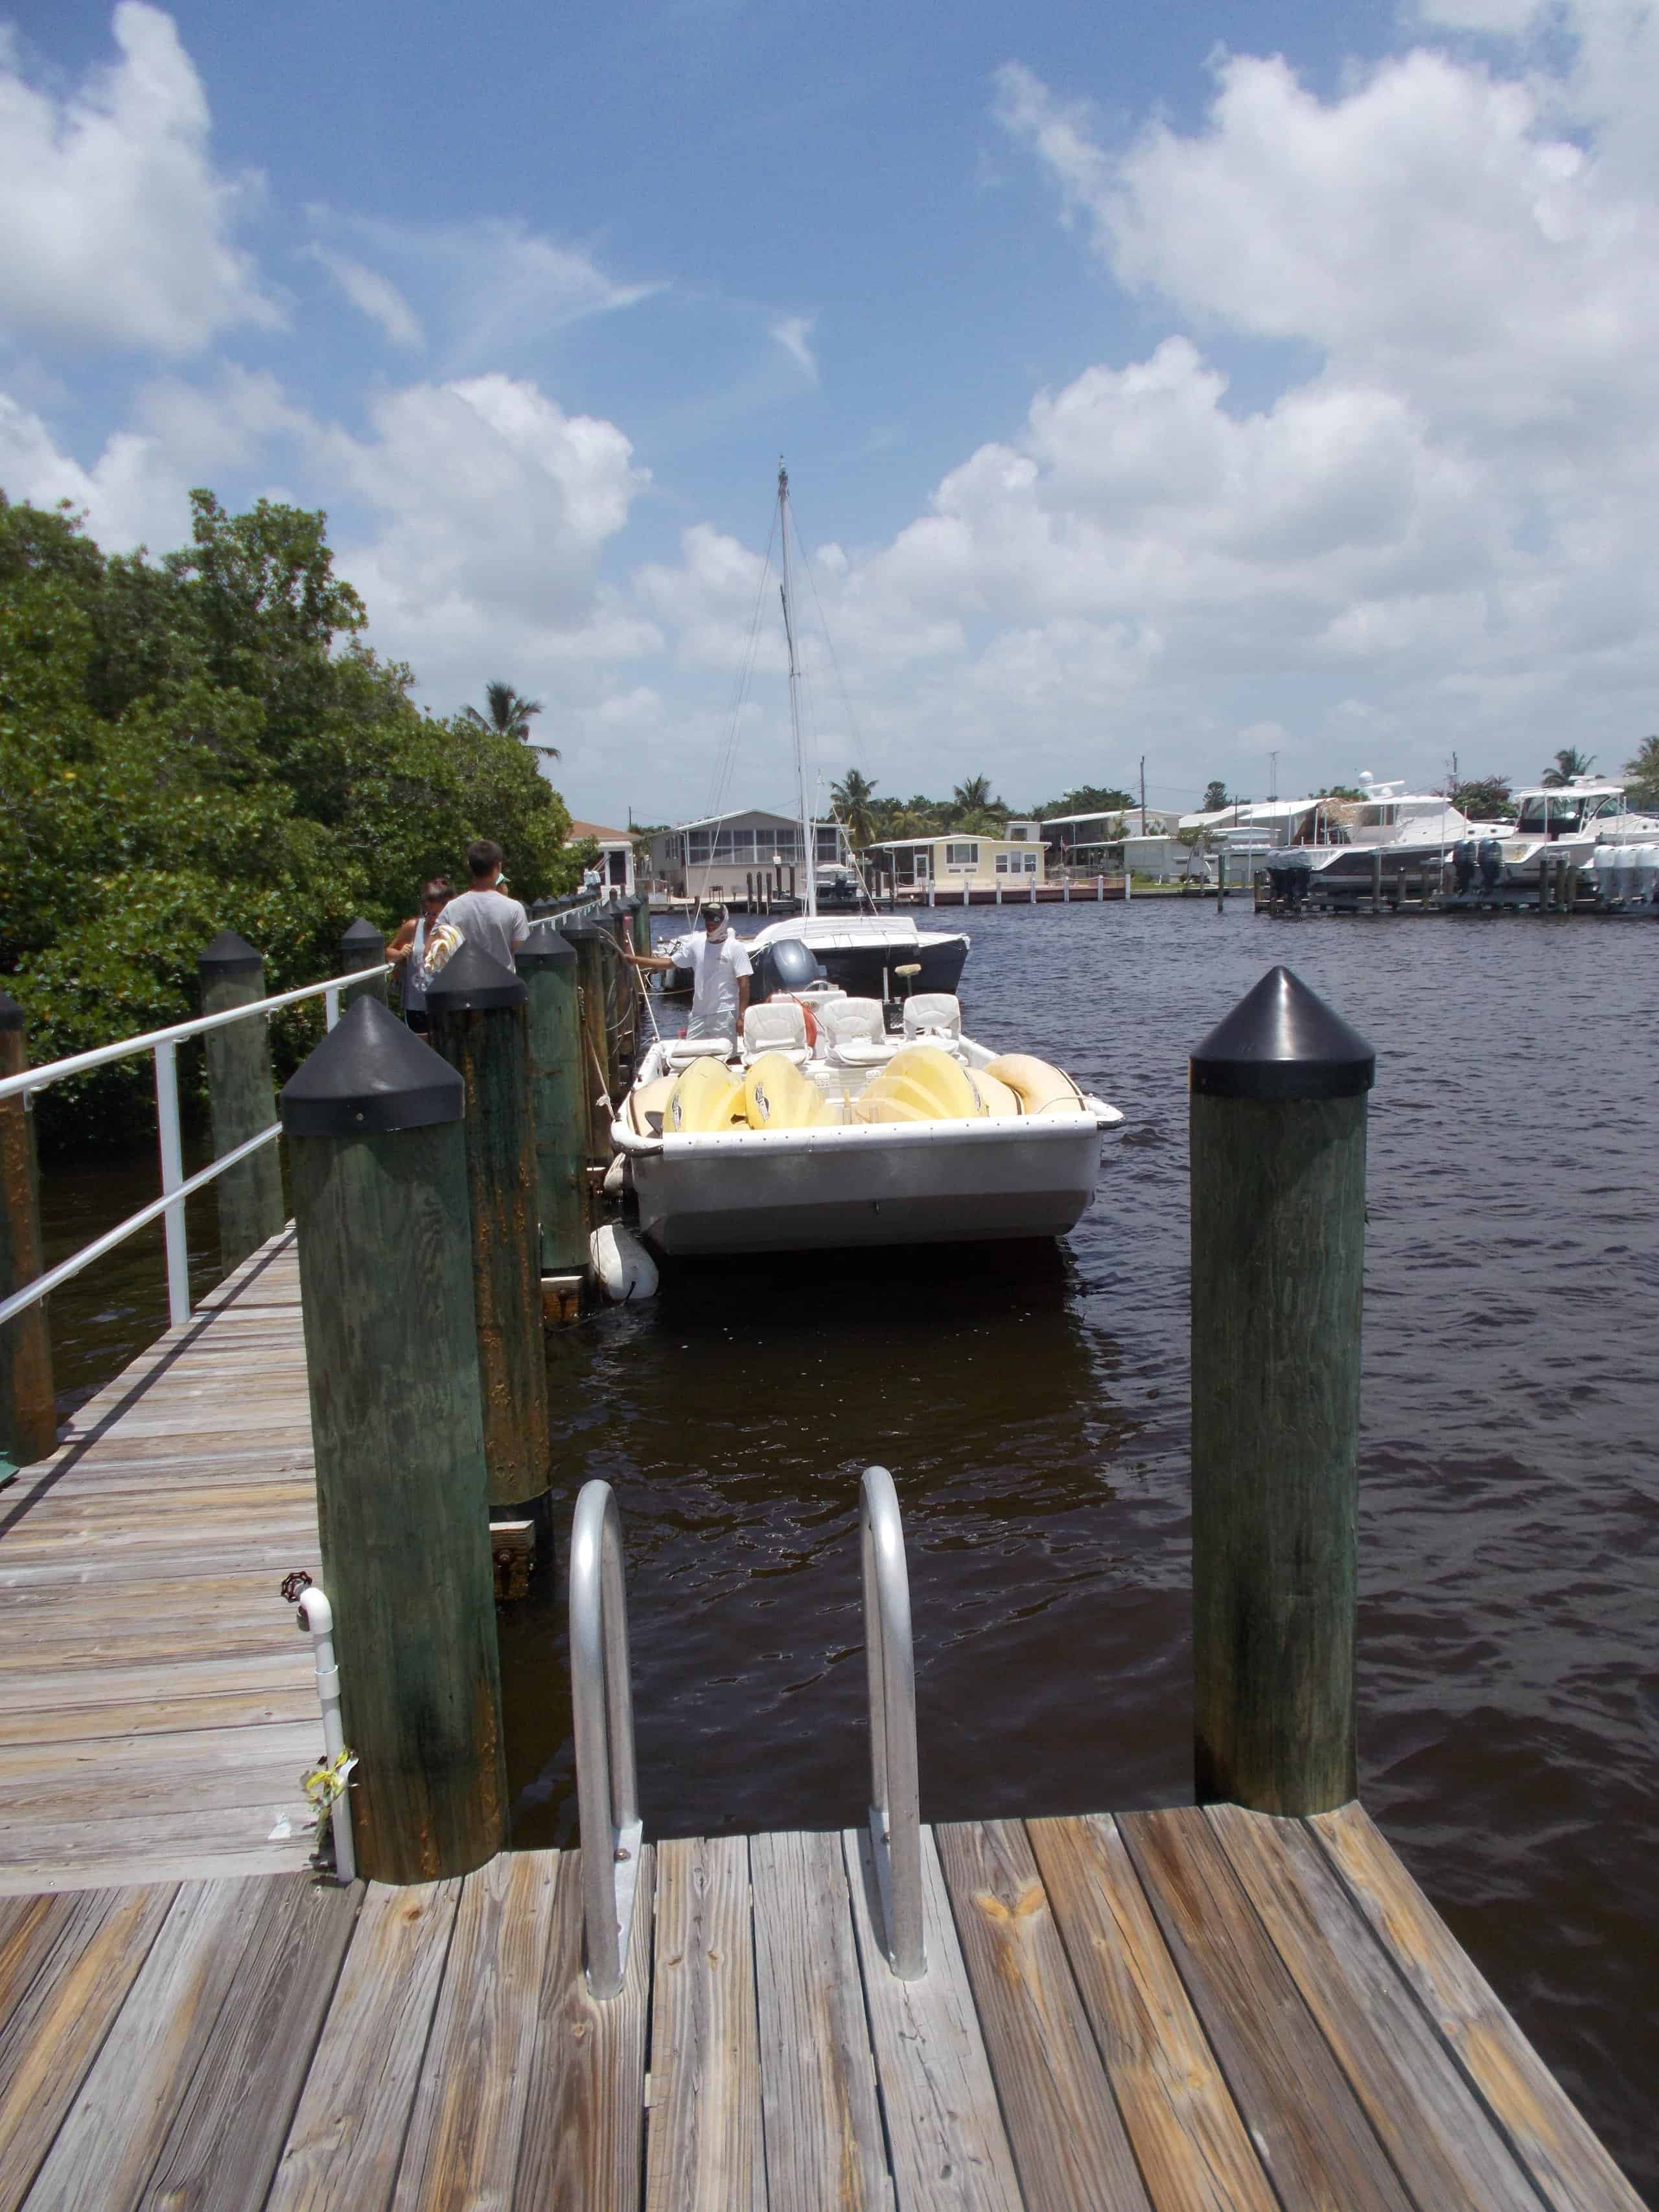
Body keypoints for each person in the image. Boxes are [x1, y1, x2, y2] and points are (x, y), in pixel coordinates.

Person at [621, 900, 751, 1047]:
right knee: (691, 1054)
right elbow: (670, 963)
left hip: (725, 1013)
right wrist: (635, 960)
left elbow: (744, 983)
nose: (710, 923)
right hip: (699, 1014)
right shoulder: (696, 945)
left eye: (715, 919)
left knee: (727, 1056)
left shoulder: (735, 948)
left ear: (724, 920)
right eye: (707, 918)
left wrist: (741, 1016)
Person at [429, 839, 530, 975]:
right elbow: (521, 953)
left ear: (470, 868)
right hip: (503, 987)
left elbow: (430, 950)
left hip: (464, 989)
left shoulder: (451, 908)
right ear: (498, 867)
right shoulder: (514, 909)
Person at [388, 878, 452, 1031]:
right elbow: (388, 952)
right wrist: (399, 954)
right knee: (421, 1052)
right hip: (417, 1005)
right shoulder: (413, 927)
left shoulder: (454, 930)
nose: (431, 919)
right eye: (427, 913)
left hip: (447, 1004)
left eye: (436, 914)